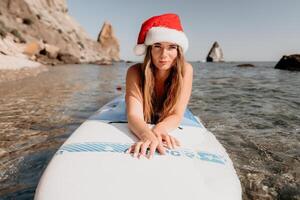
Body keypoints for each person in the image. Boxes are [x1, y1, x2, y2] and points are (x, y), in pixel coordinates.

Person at [125, 13, 193, 159]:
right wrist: (146, 135)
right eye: (157, 46)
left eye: (171, 47)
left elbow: (176, 114)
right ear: (149, 49)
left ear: (178, 51)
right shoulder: (135, 71)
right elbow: (133, 115)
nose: (164, 54)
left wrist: (160, 129)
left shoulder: (185, 70)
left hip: (167, 116)